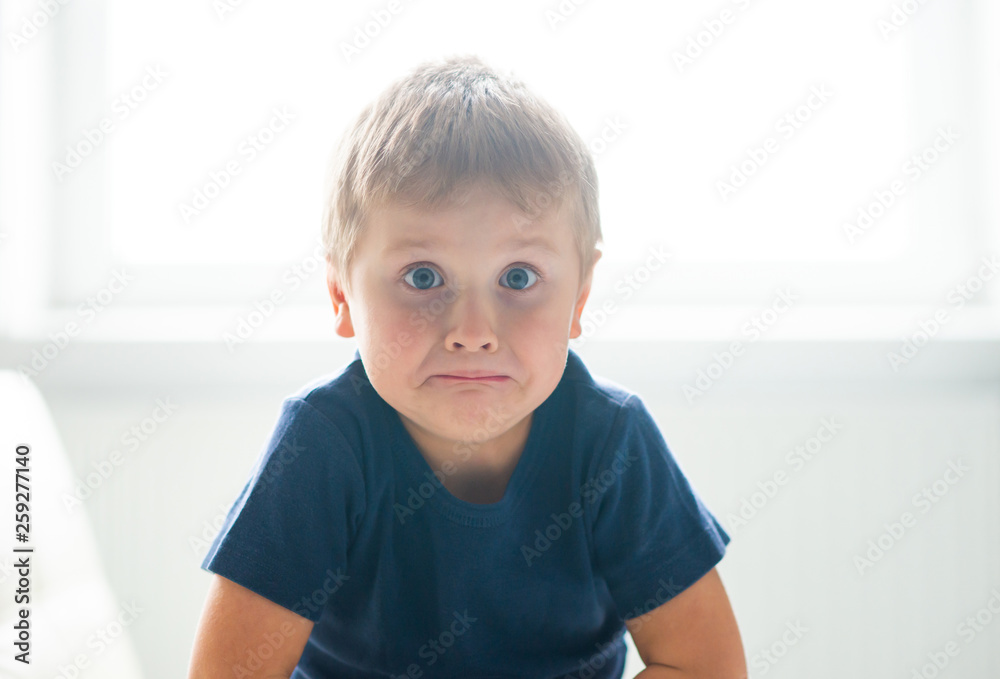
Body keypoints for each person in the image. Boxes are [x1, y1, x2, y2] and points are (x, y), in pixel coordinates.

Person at [187, 54, 746, 679]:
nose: (473, 333)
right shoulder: (324, 445)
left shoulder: (610, 443)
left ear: (580, 298)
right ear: (341, 295)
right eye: (423, 278)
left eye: (518, 277)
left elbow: (706, 666)